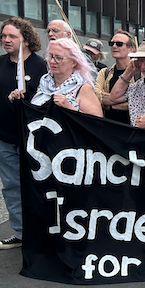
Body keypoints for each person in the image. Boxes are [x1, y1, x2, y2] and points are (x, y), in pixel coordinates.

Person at [0, 17, 48, 249]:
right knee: (11, 186)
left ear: (26, 40)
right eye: (4, 36)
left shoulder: (41, 66)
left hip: (34, 141)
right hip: (5, 139)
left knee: (38, 185)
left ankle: (42, 231)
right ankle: (20, 232)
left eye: (12, 37)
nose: (6, 40)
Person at [11, 38, 102, 117]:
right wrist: (18, 100)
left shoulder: (82, 88)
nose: (52, 61)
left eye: (59, 57)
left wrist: (70, 108)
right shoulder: (44, 83)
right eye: (50, 56)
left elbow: (96, 123)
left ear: (73, 62)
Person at [97, 30, 137, 124]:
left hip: (132, 128)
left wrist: (111, 105)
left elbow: (140, 102)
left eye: (119, 44)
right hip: (109, 127)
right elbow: (97, 97)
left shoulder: (139, 74)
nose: (114, 46)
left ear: (131, 49)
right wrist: (126, 99)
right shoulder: (104, 72)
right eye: (112, 43)